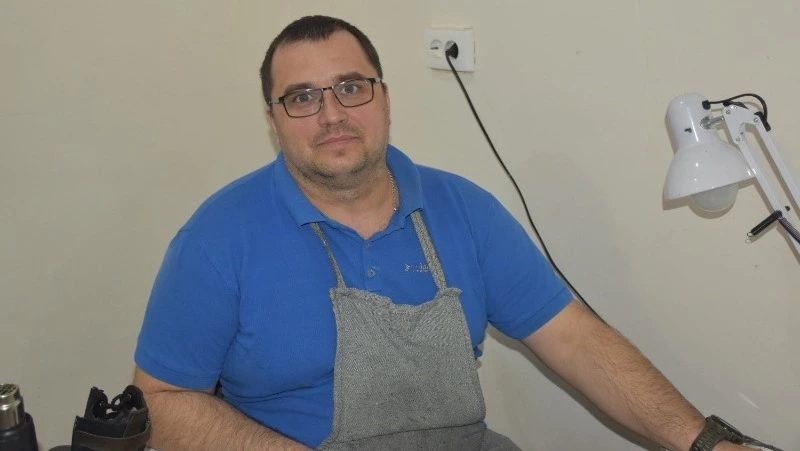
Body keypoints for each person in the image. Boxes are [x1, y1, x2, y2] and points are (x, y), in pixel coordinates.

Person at [133, 15, 760, 451]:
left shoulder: (464, 209)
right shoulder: (219, 237)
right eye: (301, 98)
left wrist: (706, 442)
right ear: (274, 121)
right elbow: (159, 401)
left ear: (384, 98)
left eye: (350, 87)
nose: (332, 115)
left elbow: (574, 339)